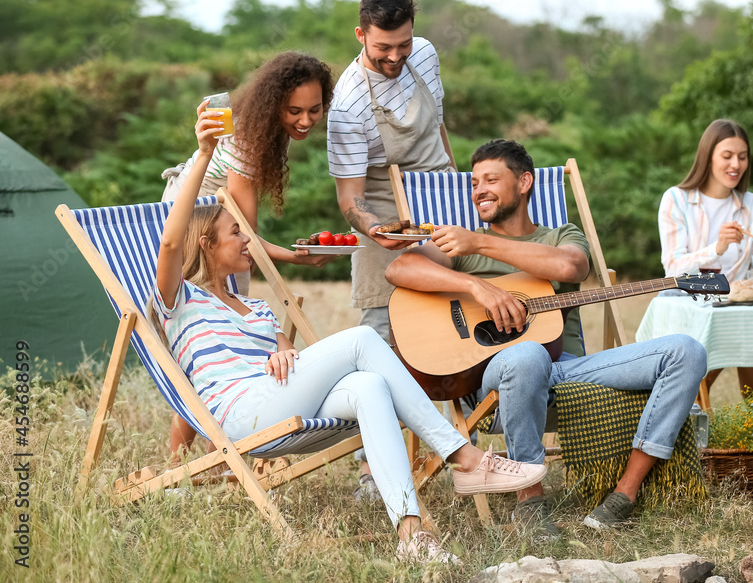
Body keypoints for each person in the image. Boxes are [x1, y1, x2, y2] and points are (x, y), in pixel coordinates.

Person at [150, 126, 547, 564]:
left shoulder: (256, 307)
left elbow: (286, 353)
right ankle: (464, 457)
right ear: (206, 243)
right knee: (361, 340)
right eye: (236, 233)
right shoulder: (181, 299)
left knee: (367, 387)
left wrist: (283, 348)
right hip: (240, 416)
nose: (249, 239)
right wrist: (206, 153)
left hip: (277, 400)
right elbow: (171, 241)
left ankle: (411, 537)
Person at [385, 139, 708, 536]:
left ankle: (625, 493)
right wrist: (475, 288)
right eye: (473, 182)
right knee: (527, 355)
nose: (478, 190)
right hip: (497, 378)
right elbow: (400, 268)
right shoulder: (461, 249)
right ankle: (530, 504)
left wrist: (483, 241)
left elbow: (573, 265)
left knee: (687, 351)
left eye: (490, 179)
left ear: (524, 182)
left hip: (568, 371)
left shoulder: (557, 235)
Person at [161, 51, 341, 463]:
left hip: (221, 230)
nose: (306, 120)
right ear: (273, 103)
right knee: (208, 343)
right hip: (195, 232)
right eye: (294, 110)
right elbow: (246, 234)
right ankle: (180, 462)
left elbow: (243, 232)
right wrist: (296, 259)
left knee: (234, 339)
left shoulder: (264, 127)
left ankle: (223, 457)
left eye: (315, 110)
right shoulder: (247, 137)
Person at [326, 0, 457, 498]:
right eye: (384, 48)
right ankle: (370, 467)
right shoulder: (348, 103)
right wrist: (375, 228)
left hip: (441, 198)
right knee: (382, 334)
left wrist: (456, 184)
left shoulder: (424, 54)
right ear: (361, 35)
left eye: (402, 44)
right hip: (382, 214)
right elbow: (349, 200)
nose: (396, 57)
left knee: (461, 321)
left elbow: (439, 128)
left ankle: (469, 440)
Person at [657, 118, 753, 394]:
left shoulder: (752, 205)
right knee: (723, 342)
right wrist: (717, 248)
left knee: (749, 334)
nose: (735, 165)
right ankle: (691, 412)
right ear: (708, 157)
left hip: (736, 310)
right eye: (727, 156)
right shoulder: (676, 200)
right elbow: (672, 268)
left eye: (742, 157)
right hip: (691, 306)